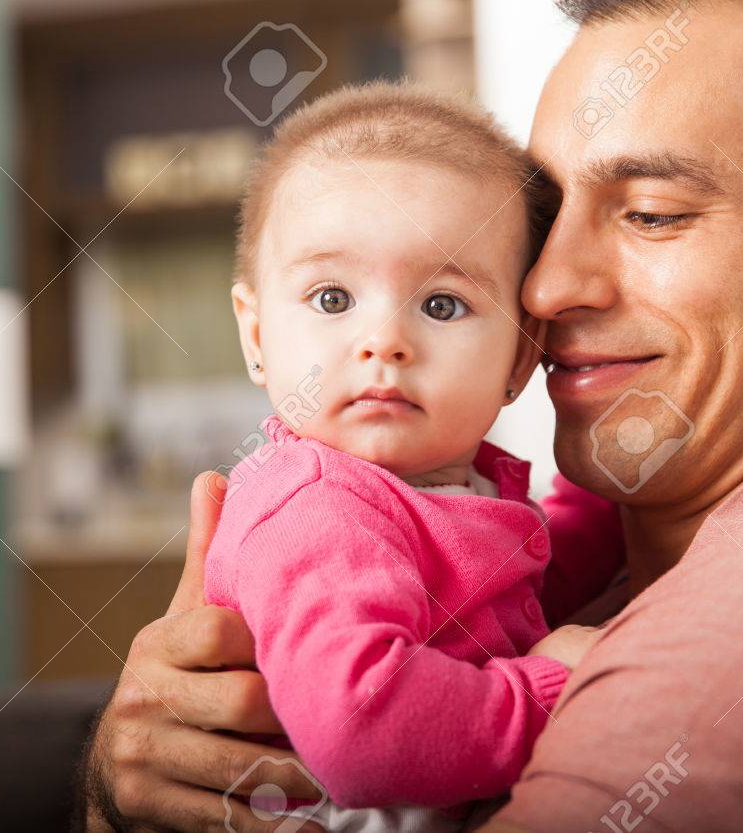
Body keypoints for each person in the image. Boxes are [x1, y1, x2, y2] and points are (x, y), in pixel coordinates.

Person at [77, 0, 743, 831]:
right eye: (543, 221)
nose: (544, 290)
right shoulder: (658, 547)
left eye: (649, 212)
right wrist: (128, 789)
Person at [203, 82, 622, 831]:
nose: (383, 342)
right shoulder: (315, 508)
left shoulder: (445, 490)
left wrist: (618, 494)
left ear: (522, 357)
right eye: (332, 298)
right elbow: (363, 730)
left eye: (442, 305)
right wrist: (550, 687)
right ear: (257, 335)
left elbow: (515, 595)